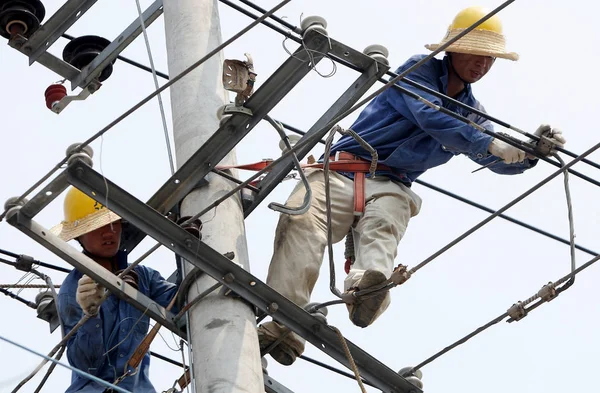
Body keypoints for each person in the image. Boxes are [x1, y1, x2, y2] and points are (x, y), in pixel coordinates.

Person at [257, 5, 567, 366]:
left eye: (491, 59)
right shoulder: (417, 71)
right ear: (452, 48)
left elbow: (492, 157)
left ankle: (365, 291)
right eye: (477, 53)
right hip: (341, 170)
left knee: (384, 229)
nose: (483, 64)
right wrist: (489, 142)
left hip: (392, 184)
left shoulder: (473, 114)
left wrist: (530, 153)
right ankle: (285, 326)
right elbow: (432, 117)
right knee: (301, 224)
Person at [53, 187, 179, 393]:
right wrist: (90, 315)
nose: (109, 231)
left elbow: (183, 308)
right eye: (97, 225)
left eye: (114, 222)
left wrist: (186, 249)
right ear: (79, 235)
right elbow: (87, 366)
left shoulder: (143, 276)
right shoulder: (73, 290)